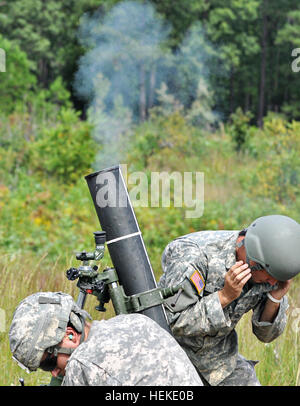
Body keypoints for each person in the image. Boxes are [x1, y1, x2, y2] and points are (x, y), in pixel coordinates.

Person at [158, 214, 300, 386]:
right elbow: (172, 322)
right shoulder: (194, 254)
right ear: (254, 260)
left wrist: (274, 298)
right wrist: (224, 297)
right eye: (271, 278)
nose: (272, 283)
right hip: (170, 356)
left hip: (219, 362)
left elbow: (265, 336)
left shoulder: (268, 273)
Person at [9, 291, 203, 386]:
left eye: (49, 364)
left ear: (70, 334)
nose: (53, 373)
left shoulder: (82, 365)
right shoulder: (135, 321)